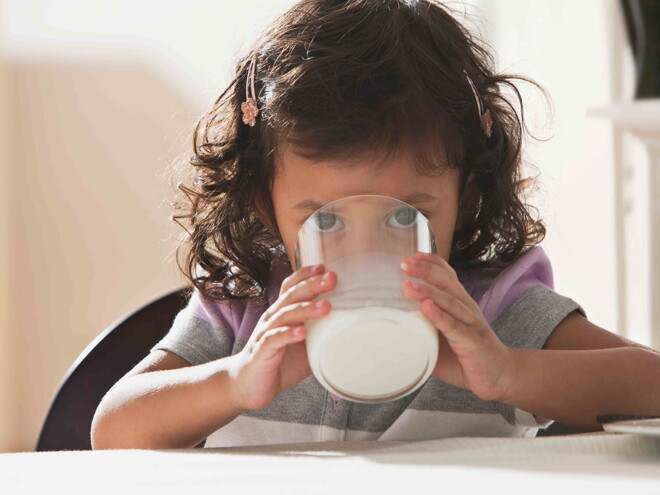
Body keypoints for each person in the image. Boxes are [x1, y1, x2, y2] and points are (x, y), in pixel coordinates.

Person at [91, 0, 660, 450]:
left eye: (403, 216)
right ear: (264, 205)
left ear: (463, 197)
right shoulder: (244, 310)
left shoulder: (491, 310)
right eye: (327, 219)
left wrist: (508, 371)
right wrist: (236, 380)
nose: (364, 246)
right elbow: (114, 429)